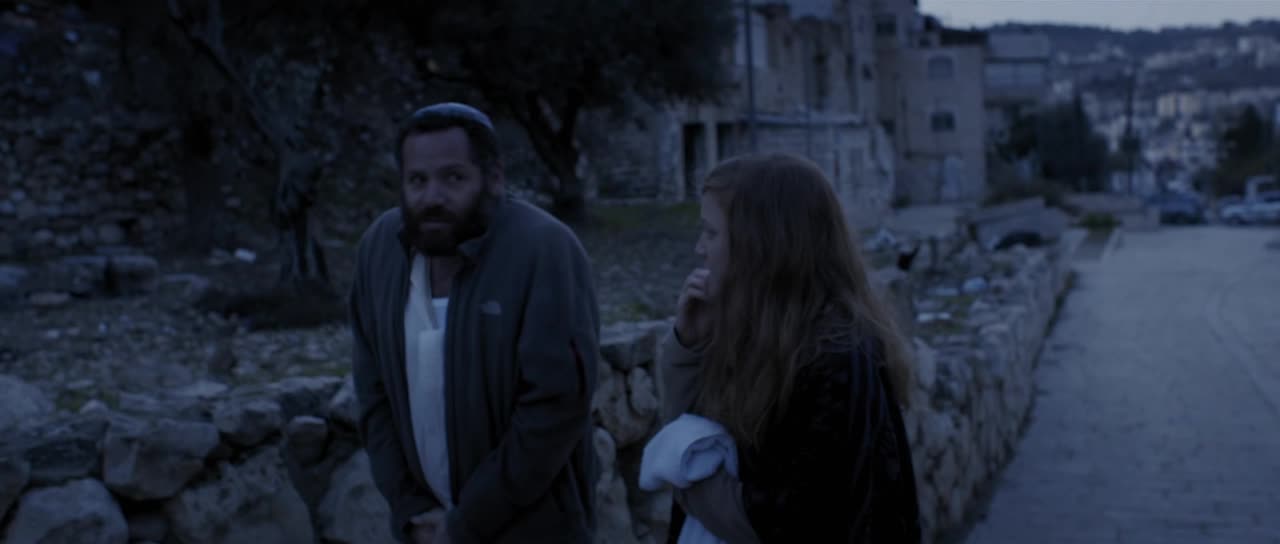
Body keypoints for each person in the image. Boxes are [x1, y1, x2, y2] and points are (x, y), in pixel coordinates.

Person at [348, 102, 600, 544]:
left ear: (494, 178)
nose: (432, 197)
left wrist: (466, 523)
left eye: (453, 178)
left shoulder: (543, 250)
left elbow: (554, 410)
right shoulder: (378, 252)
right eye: (417, 180)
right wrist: (410, 509)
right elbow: (374, 397)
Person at [657, 152, 922, 543]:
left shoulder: (834, 359)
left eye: (711, 233)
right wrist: (688, 348)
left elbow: (779, 521)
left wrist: (683, 474)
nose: (700, 248)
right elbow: (687, 431)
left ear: (760, 245)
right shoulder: (752, 331)